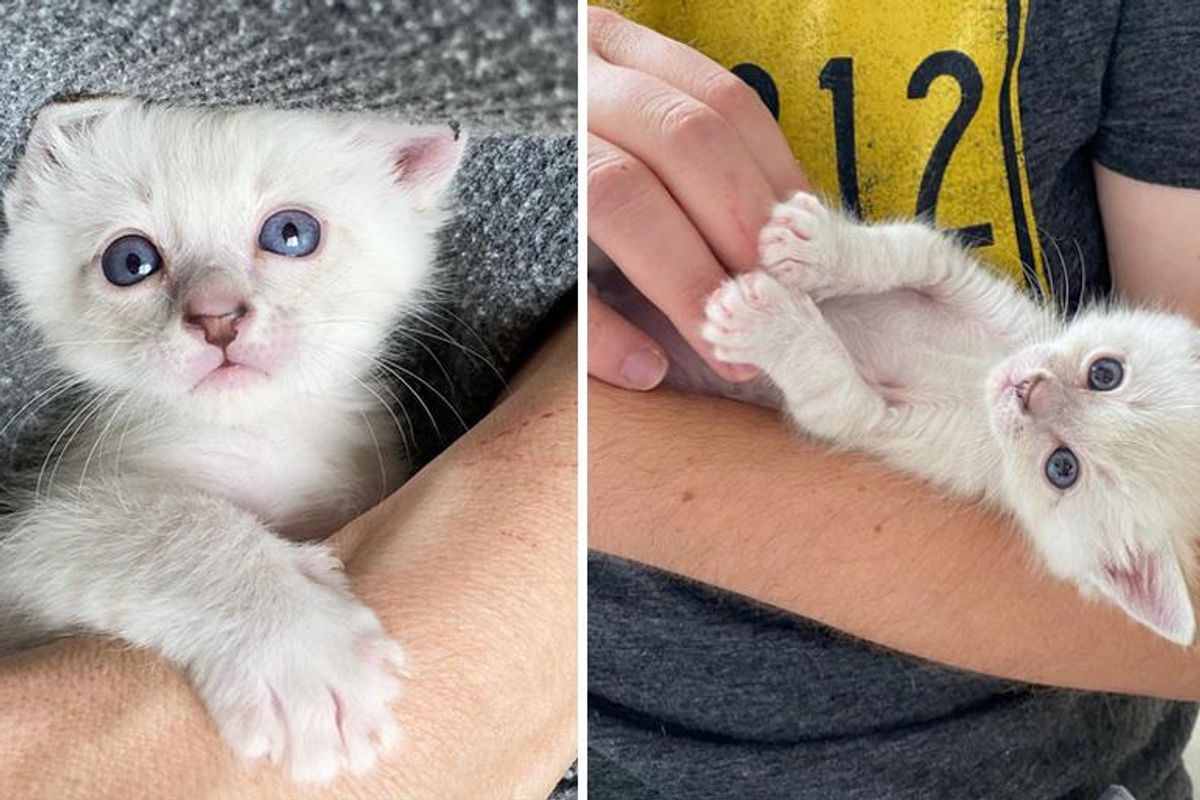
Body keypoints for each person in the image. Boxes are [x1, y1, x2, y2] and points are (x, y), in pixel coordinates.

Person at [587, 3, 1200, 798]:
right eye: (1104, 376)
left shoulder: (985, 460)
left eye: (1058, 468)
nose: (1034, 393)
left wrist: (787, 344)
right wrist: (842, 255)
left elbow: (858, 416)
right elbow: (938, 267)